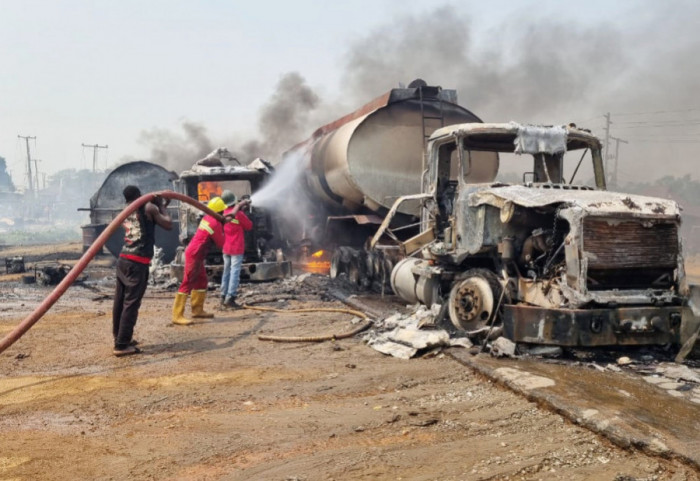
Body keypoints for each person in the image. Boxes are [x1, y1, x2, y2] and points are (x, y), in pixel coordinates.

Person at [113, 185, 173, 356]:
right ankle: (122, 345)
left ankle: (119, 338)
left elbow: (148, 220)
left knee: (120, 302)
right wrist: (161, 205)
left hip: (123, 259)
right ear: (140, 195)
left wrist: (161, 206)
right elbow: (168, 224)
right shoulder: (148, 207)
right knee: (131, 303)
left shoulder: (126, 209)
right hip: (137, 262)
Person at [172, 195, 227, 325]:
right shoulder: (215, 223)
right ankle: (177, 315)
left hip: (197, 253)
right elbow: (221, 243)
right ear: (219, 211)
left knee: (201, 281)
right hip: (195, 254)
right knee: (188, 282)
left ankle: (197, 310)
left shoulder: (208, 218)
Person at [220, 191, 252, 308]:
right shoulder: (239, 214)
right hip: (236, 247)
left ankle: (223, 296)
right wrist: (243, 211)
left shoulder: (225, 212)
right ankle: (231, 298)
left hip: (226, 247)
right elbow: (249, 226)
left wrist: (241, 209)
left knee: (226, 272)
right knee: (235, 272)